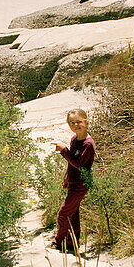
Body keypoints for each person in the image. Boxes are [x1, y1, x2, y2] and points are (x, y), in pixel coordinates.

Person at [52, 108, 96, 255]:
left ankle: (58, 241)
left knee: (63, 214)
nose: (76, 125)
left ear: (86, 122)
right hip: (73, 182)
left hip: (81, 185)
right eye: (72, 123)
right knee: (73, 214)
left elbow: (79, 164)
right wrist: (66, 177)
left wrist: (64, 150)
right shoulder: (74, 139)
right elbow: (71, 164)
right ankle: (72, 243)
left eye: (79, 122)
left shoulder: (88, 144)